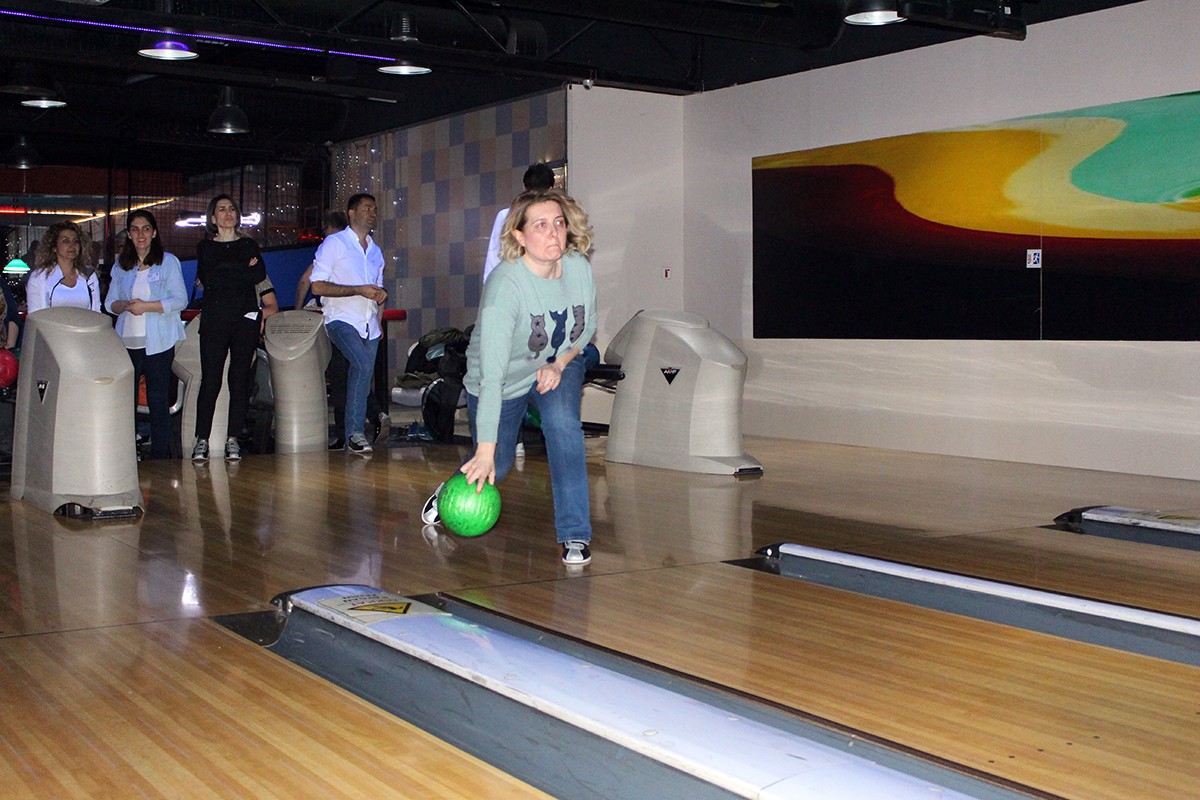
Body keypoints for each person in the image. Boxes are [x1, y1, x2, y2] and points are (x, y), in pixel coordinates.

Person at [423, 189, 597, 566]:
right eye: (540, 225)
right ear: (519, 235)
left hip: (555, 365)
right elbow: (492, 376)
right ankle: (449, 490)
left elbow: (586, 329)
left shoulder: (578, 268)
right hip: (499, 378)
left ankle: (575, 532)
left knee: (563, 427)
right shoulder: (506, 286)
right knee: (496, 463)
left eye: (559, 223)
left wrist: (559, 364)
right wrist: (485, 452)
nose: (554, 232)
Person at [191, 193, 267, 463]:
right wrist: (241, 269)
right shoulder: (205, 247)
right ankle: (202, 439)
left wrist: (226, 271)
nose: (228, 213)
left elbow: (258, 274)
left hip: (245, 318)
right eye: (222, 209)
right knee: (211, 379)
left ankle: (233, 437)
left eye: (232, 208)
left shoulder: (249, 244)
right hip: (215, 320)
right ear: (213, 218)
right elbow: (210, 278)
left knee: (240, 379)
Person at [106, 210, 187, 460]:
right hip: (127, 342)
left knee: (157, 399)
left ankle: (159, 456)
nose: (140, 234)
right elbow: (109, 303)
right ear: (129, 234)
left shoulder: (168, 262)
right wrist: (124, 305)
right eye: (135, 229)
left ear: (154, 232)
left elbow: (180, 300)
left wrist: (146, 307)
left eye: (145, 228)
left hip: (158, 342)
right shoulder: (121, 266)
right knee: (125, 400)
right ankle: (128, 453)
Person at [310, 193, 387, 455]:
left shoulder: (376, 251)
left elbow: (378, 290)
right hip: (340, 319)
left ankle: (353, 436)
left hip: (369, 325)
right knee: (362, 365)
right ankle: (355, 433)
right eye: (367, 208)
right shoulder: (335, 243)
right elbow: (317, 286)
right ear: (351, 213)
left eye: (374, 209)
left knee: (362, 376)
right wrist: (358, 290)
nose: (372, 212)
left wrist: (379, 314)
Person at [483, 162, 556, 285]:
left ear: (524, 187)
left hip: (513, 282)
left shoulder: (506, 216)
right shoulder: (558, 219)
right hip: (547, 282)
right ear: (550, 189)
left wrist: (490, 287)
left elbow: (494, 257)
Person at [25, 221, 101, 314]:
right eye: (66, 241)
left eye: (76, 241)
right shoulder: (39, 277)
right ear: (54, 247)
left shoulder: (89, 276)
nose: (72, 245)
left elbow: (97, 313)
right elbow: (35, 316)